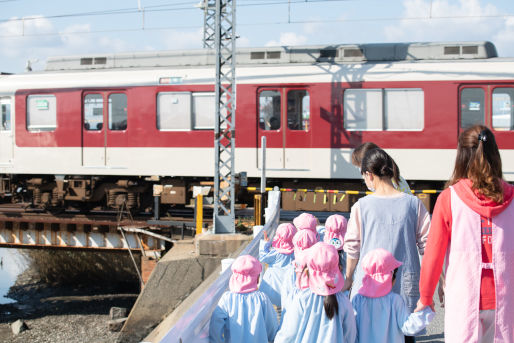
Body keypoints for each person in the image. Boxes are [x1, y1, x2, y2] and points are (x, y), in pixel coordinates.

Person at [415, 125, 514, 342]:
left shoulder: (450, 199)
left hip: (464, 296)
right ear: (495, 154)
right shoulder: (512, 198)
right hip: (506, 299)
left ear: (461, 156)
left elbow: (434, 254)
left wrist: (426, 296)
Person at [343, 148, 430, 343]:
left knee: (365, 333)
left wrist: (348, 278)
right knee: (405, 330)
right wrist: (438, 279)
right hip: (403, 283)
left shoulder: (361, 206)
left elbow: (352, 247)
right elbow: (428, 244)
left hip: (367, 287)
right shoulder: (413, 204)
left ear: (369, 174)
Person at [275, 242, 357, 343]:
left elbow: (289, 334)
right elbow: (350, 335)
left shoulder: (302, 299)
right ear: (338, 269)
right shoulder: (344, 301)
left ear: (307, 272)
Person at [352, 248, 434, 343]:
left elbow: (353, 331)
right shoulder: (395, 300)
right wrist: (426, 310)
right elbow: (408, 326)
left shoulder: (357, 300)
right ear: (390, 278)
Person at [209, 255, 278, 343]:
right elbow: (272, 327)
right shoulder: (262, 298)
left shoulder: (227, 299)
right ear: (257, 279)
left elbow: (216, 324)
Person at [280, 229, 319, 316]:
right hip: (315, 307)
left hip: (295, 309)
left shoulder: (293, 268)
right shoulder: (319, 266)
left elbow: (286, 293)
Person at [259, 222, 297, 307]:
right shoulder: (296, 252)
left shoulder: (275, 253)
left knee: (271, 305)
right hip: (290, 283)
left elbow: (263, 257)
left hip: (273, 283)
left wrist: (266, 244)